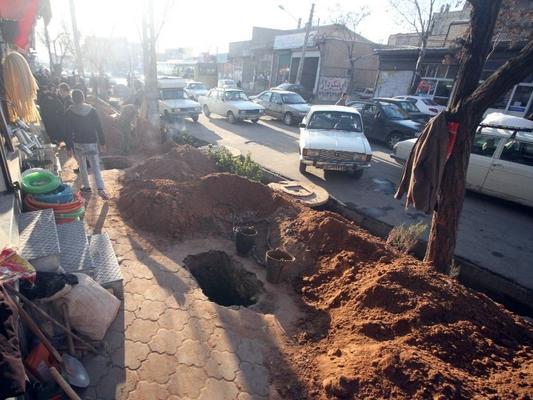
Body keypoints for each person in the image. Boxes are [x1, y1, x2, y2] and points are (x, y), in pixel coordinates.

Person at [65, 90, 109, 200]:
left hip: (78, 143)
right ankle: (101, 188)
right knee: (95, 166)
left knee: (82, 166)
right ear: (83, 97)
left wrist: (68, 147)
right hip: (91, 142)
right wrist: (102, 143)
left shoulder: (69, 112)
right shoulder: (92, 110)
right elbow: (99, 127)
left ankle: (87, 187)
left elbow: (68, 131)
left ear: (72, 99)